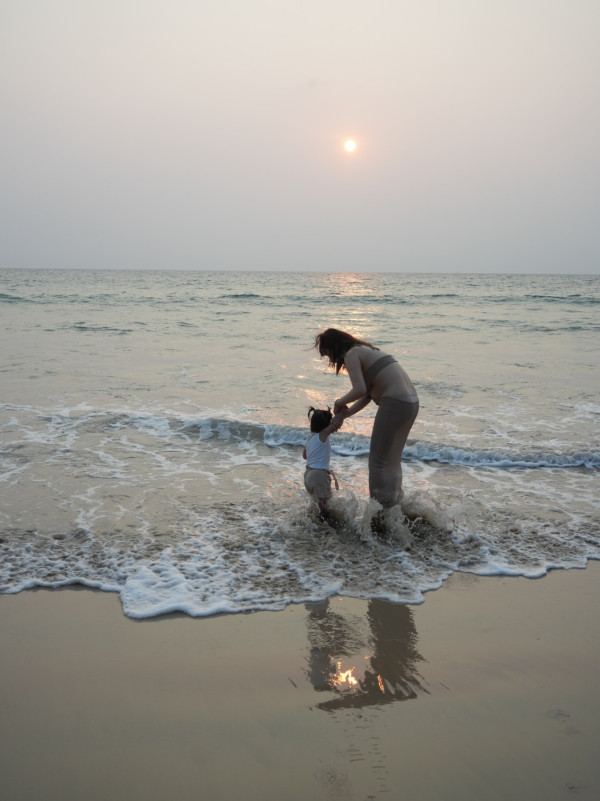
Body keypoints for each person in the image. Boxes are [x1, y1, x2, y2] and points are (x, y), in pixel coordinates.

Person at [314, 328, 419, 532]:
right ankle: (395, 508)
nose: (330, 360)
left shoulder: (351, 354)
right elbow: (368, 394)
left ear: (334, 346)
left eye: (327, 353)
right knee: (391, 461)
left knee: (378, 462)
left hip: (394, 402)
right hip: (410, 403)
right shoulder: (365, 350)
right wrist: (344, 415)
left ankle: (378, 517)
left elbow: (359, 390)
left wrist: (339, 402)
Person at [303, 406, 340, 523]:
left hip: (308, 475)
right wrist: (341, 415)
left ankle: (314, 522)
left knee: (318, 502)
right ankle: (325, 525)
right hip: (319, 475)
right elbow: (333, 426)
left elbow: (304, 455)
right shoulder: (323, 434)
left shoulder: (310, 438)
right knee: (324, 507)